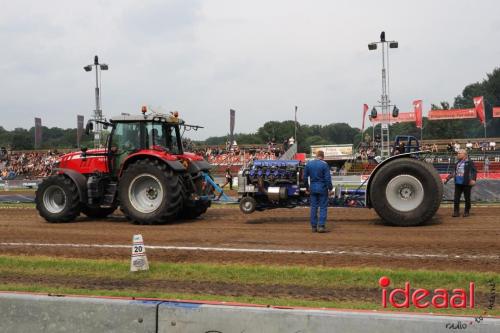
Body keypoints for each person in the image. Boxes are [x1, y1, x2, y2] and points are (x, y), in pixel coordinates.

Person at [304, 150, 333, 233]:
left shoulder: (309, 164)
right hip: (322, 188)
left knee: (314, 207)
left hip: (312, 188)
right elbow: (327, 178)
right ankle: (321, 226)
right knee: (323, 207)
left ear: (316, 155)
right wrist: (330, 188)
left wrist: (307, 188)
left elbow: (305, 178)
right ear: (323, 156)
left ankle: (313, 227)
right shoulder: (324, 164)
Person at [445, 149, 477, 217]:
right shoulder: (457, 163)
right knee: (456, 198)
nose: (458, 154)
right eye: (458, 153)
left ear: (464, 154)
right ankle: (456, 212)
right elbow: (454, 172)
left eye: (459, 153)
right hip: (458, 183)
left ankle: (466, 211)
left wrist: (473, 179)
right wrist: (447, 178)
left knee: (467, 198)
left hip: (466, 183)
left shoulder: (469, 162)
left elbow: (474, 171)